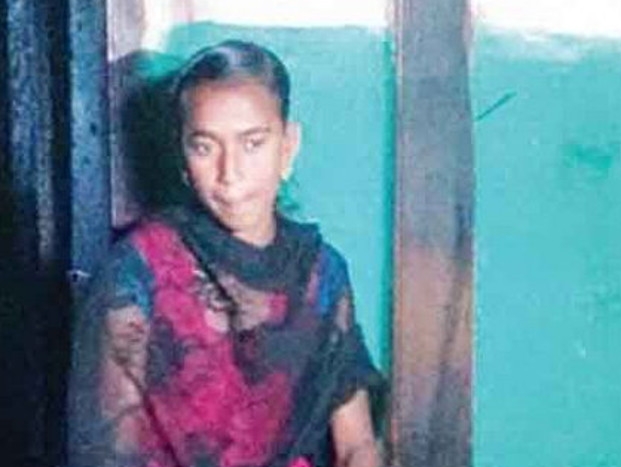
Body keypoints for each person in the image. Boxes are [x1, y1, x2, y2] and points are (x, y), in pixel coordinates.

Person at [68, 39, 385, 467]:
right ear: (183, 158)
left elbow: (356, 446)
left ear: (288, 147)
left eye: (252, 143)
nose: (229, 173)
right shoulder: (139, 269)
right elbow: (109, 453)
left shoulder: (321, 271)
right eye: (205, 147)